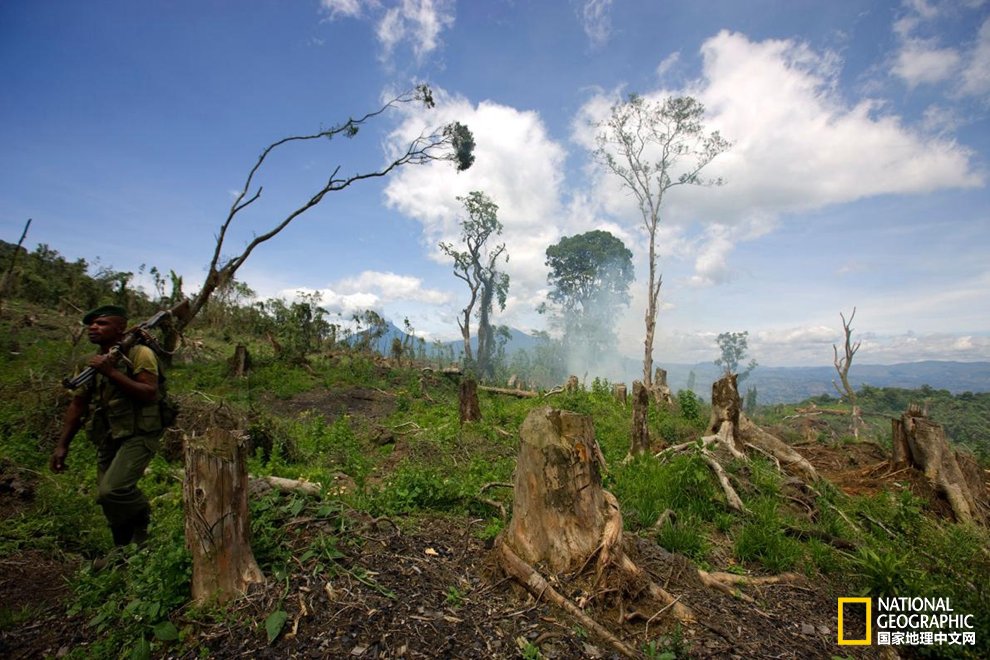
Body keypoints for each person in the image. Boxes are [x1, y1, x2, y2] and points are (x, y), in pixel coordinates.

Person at [50, 305, 163, 549]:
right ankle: (122, 552)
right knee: (107, 499)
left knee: (112, 491)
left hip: (139, 433)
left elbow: (149, 392)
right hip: (109, 435)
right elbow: (78, 405)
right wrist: (62, 445)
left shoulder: (139, 354)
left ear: (120, 328)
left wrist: (111, 372)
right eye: (92, 324)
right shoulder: (88, 364)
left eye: (102, 323)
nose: (93, 327)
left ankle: (145, 524)